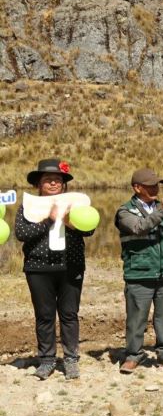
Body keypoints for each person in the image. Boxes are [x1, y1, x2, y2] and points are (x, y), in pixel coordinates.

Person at [14, 158, 94, 380]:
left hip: (71, 266)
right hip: (38, 269)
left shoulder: (76, 205)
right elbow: (21, 234)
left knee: (69, 314)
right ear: (38, 184)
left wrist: (69, 220)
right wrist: (49, 221)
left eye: (57, 180)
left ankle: (71, 359)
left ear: (64, 184)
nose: (53, 184)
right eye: (48, 180)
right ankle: (47, 360)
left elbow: (89, 231)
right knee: (44, 315)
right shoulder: (27, 207)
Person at [114, 168, 163, 374]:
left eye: (157, 185)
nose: (156, 188)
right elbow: (139, 227)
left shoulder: (161, 207)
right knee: (136, 318)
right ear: (137, 188)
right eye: (150, 185)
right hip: (139, 272)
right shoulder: (124, 211)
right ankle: (133, 355)